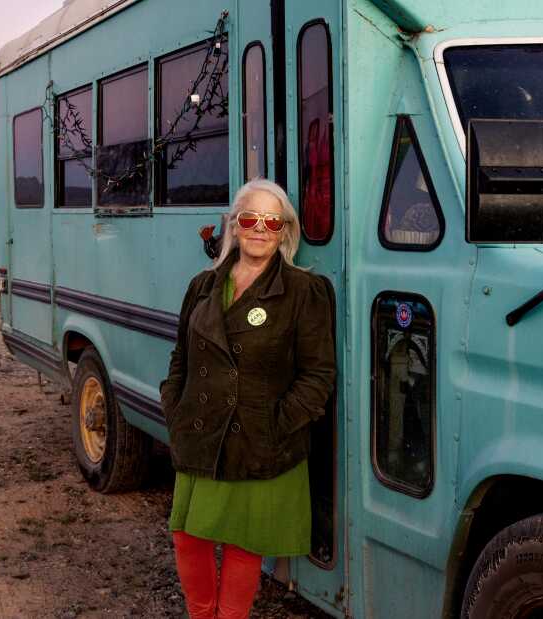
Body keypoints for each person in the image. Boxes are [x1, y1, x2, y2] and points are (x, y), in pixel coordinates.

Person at [160, 178, 336, 619]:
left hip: (259, 440)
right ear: (235, 227)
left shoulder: (303, 291)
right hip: (200, 434)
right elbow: (181, 354)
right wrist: (174, 407)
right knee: (188, 536)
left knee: (243, 544)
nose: (260, 228)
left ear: (284, 231)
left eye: (271, 221)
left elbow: (318, 375)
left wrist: (274, 426)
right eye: (250, 218)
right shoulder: (202, 285)